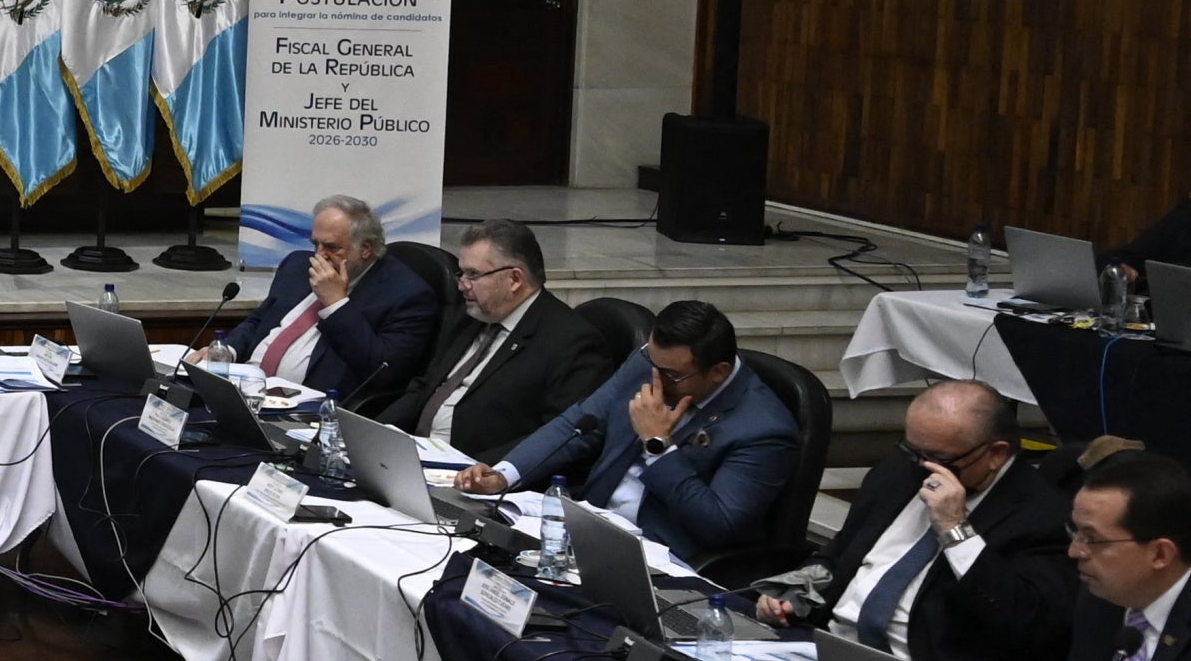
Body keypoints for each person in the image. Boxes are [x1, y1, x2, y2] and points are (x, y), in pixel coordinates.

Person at [757, 381, 1074, 661]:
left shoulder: (1045, 517)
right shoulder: (899, 472)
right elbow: (839, 553)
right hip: (826, 652)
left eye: (938, 459)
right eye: (913, 451)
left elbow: (1026, 624)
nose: (922, 469)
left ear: (996, 454)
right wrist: (795, 590)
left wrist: (956, 529)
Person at [459, 298, 800, 557]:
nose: (656, 379)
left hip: (660, 556)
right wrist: (505, 476)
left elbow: (718, 525)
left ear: (719, 372)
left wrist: (659, 445)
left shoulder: (762, 429)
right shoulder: (652, 363)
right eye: (653, 363)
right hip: (589, 527)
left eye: (673, 375)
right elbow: (581, 421)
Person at [992, 449, 1191, 661]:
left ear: (1161, 553)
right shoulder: (1102, 598)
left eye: (1093, 539)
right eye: (1075, 532)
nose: (1075, 552)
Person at [364, 218, 605, 458]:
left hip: (478, 471)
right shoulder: (470, 314)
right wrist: (374, 433)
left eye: (473, 275)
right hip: (416, 455)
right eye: (462, 273)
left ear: (515, 279)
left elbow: (558, 437)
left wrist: (484, 472)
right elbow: (425, 386)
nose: (462, 286)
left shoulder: (571, 342)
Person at [213, 196, 439, 403]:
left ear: (365, 249)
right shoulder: (297, 266)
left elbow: (381, 372)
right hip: (243, 389)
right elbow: (259, 320)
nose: (318, 255)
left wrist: (336, 304)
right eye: (315, 244)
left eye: (332, 247)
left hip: (305, 409)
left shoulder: (407, 296)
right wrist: (228, 351)